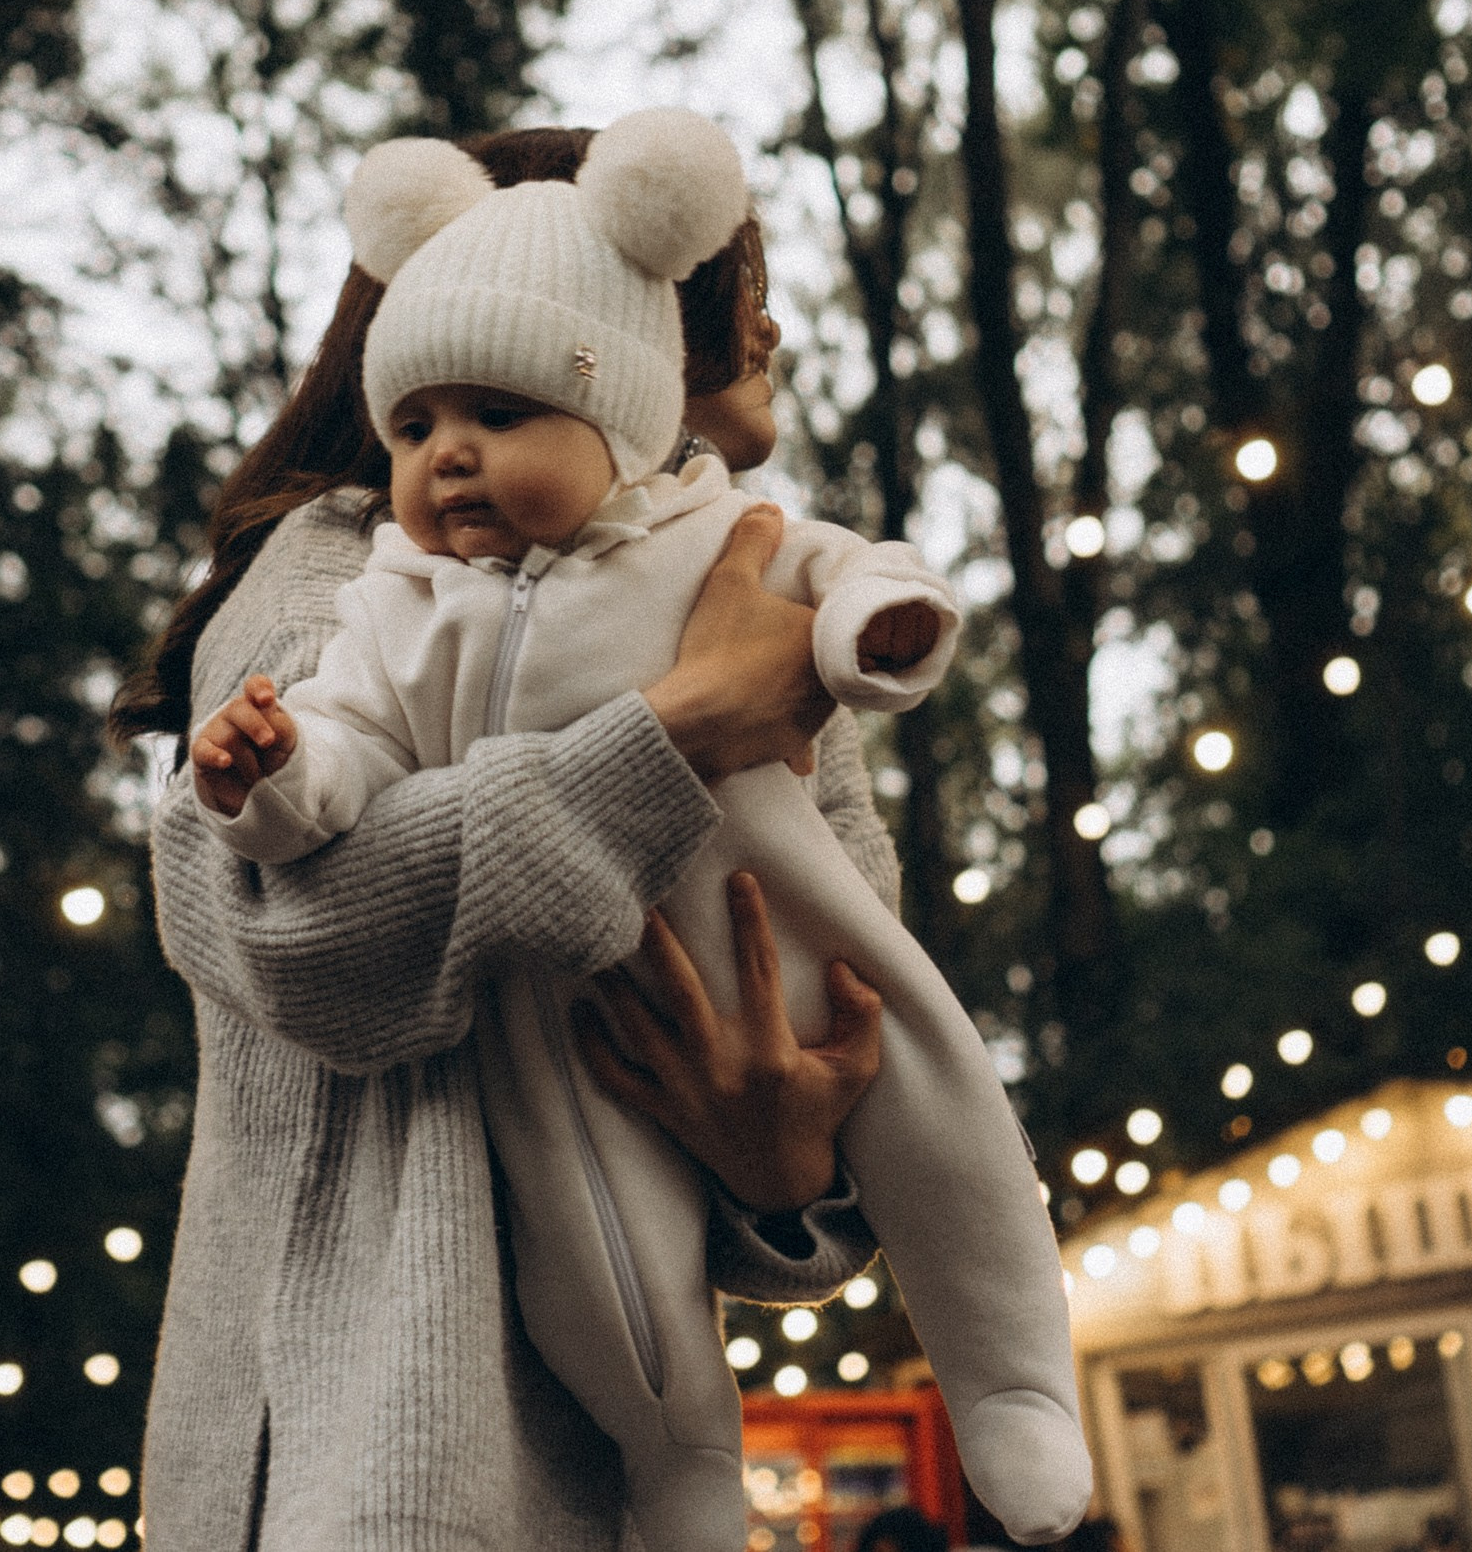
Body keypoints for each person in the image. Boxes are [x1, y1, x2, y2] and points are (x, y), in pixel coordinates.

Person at [188, 109, 1089, 1552]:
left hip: (597, 1487)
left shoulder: (753, 595)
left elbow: (813, 1110)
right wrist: (675, 732)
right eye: (736, 279)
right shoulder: (352, 573)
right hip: (379, 1459)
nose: (773, 323)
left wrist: (783, 1161)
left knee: (940, 1078)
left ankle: (1015, 1380)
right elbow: (308, 949)